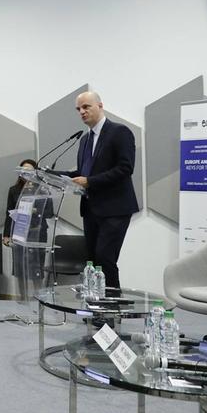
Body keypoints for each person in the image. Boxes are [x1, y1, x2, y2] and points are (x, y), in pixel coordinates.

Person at [67, 91, 138, 290]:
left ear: (100, 105)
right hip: (91, 209)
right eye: (78, 109)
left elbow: (125, 168)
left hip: (115, 208)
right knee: (92, 261)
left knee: (105, 258)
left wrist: (89, 181)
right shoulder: (85, 140)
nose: (82, 112)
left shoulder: (119, 132)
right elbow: (82, 173)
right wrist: (50, 174)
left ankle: (112, 304)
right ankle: (96, 303)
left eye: (86, 107)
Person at [3, 159, 39, 245]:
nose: (26, 173)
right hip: (19, 231)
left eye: (29, 170)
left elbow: (49, 212)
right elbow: (9, 213)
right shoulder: (13, 190)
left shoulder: (42, 190)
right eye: (24, 170)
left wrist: (34, 210)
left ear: (35, 172)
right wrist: (6, 235)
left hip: (37, 231)